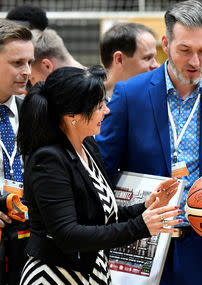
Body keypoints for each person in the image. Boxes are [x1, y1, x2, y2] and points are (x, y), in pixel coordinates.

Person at [96, 0, 202, 285]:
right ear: (166, 43)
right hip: (141, 242)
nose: (195, 62)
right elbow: (103, 169)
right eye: (185, 50)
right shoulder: (130, 95)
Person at [17, 67, 181, 284]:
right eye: (98, 106)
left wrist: (146, 207)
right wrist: (140, 226)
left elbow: (99, 216)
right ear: (71, 116)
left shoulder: (88, 146)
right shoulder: (48, 159)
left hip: (93, 271)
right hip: (55, 275)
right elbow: (68, 235)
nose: (107, 111)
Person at [0, 19, 34, 285]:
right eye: (17, 63)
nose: (27, 72)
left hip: (29, 236)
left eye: (29, 63)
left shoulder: (33, 111)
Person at [100, 22, 159, 101]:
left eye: (154, 58)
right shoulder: (85, 105)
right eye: (147, 58)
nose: (155, 65)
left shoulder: (157, 98)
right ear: (119, 59)